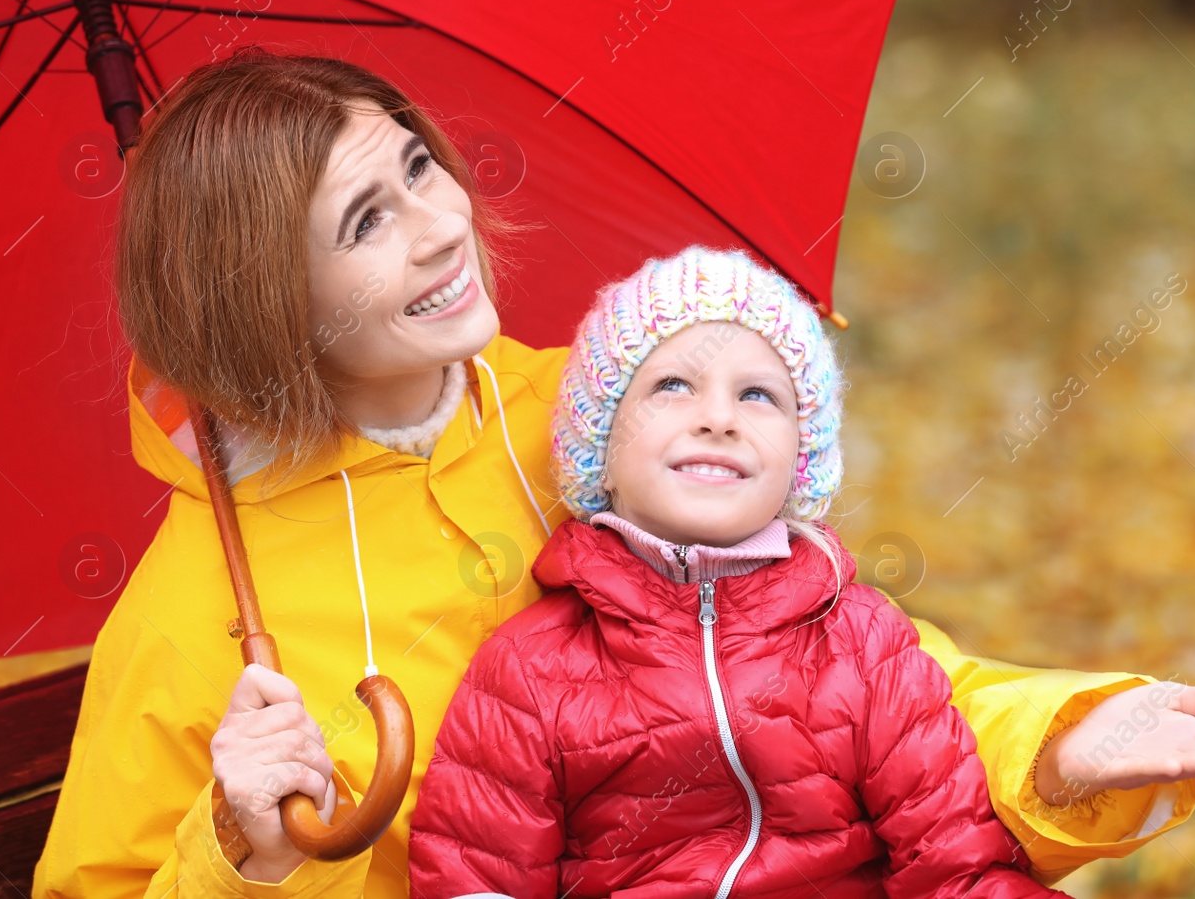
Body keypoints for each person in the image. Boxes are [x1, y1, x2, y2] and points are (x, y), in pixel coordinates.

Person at [33, 51, 1195, 899]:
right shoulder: (201, 608)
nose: (439, 222)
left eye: (416, 164)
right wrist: (238, 848)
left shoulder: (608, 408)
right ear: (262, 299)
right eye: (362, 221)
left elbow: (833, 663)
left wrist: (1055, 738)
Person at [409, 246, 1081, 898]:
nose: (719, 418)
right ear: (600, 447)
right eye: (672, 385)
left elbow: (955, 866)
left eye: (759, 394)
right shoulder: (530, 668)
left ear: (801, 457)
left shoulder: (864, 643)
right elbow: (476, 874)